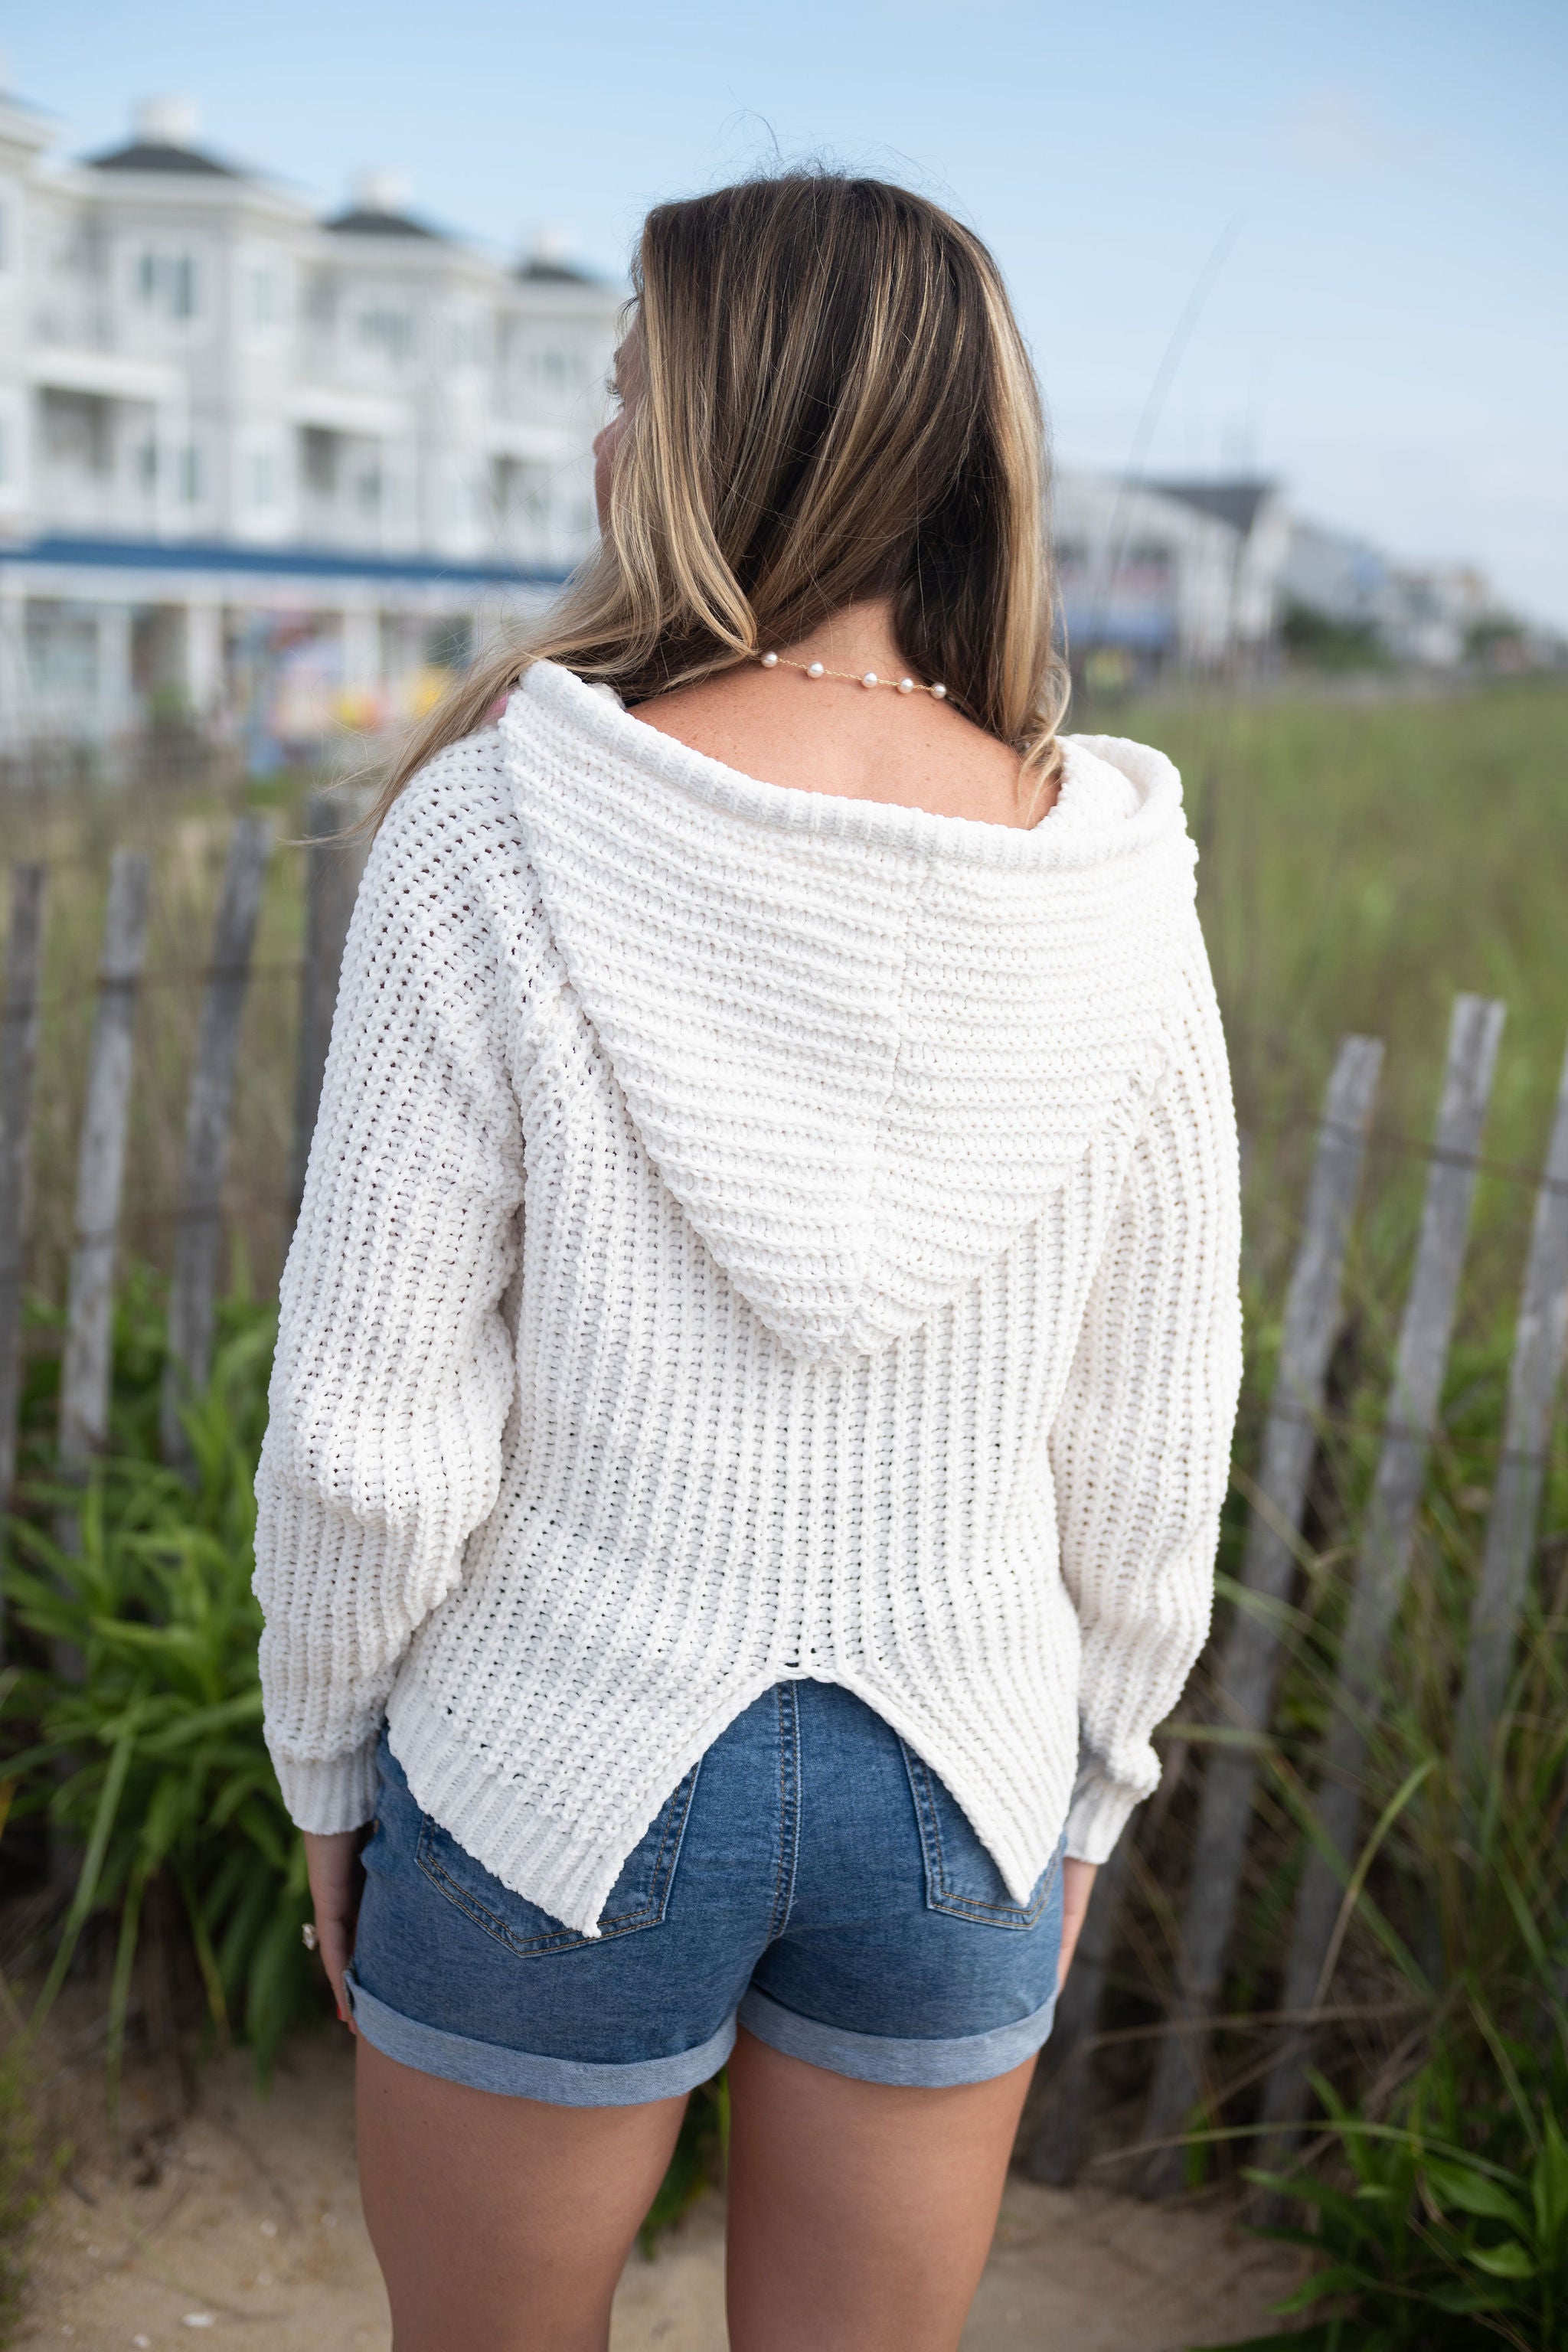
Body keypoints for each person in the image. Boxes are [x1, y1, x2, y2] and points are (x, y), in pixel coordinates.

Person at [254, 171, 1242, 2352]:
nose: (605, 436)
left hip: (553, 1756)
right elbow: (1157, 1419)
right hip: (965, 1774)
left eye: (633, 383)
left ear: (733, 424)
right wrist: (1097, 1777)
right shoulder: (1112, 881)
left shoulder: (498, 824)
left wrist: (323, 1758)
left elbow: (366, 1426)